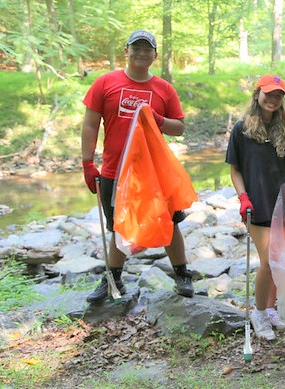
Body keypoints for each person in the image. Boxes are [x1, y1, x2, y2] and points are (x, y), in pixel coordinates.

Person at [81, 29, 193, 302]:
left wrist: (159, 119)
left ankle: (182, 275)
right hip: (115, 171)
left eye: (147, 49)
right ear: (126, 51)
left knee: (169, 223)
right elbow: (90, 124)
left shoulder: (164, 88)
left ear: (155, 54)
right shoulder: (105, 83)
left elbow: (179, 127)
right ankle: (112, 280)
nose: (141, 53)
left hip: (155, 173)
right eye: (136, 48)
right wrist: (87, 163)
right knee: (119, 227)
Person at [227, 74, 285, 341]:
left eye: (278, 96)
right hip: (256, 206)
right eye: (269, 94)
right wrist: (243, 198)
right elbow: (235, 170)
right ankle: (258, 313)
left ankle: (271, 309)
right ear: (257, 94)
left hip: (283, 203)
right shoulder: (241, 129)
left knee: (279, 261)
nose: (273, 100)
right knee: (268, 261)